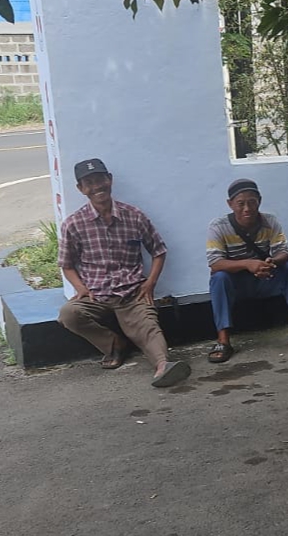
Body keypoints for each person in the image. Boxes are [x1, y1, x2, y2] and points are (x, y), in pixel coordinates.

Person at [57, 158, 191, 388]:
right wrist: (80, 288)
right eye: (89, 183)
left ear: (110, 180)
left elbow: (159, 251)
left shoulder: (134, 216)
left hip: (132, 294)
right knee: (69, 314)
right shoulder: (73, 224)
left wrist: (150, 283)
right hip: (96, 296)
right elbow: (66, 264)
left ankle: (163, 367)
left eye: (100, 179)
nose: (97, 186)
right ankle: (114, 344)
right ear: (81, 189)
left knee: (148, 327)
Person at [205, 178, 288, 362]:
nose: (247, 208)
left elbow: (283, 252)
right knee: (219, 278)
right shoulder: (218, 226)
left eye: (252, 202)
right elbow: (215, 263)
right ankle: (223, 340)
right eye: (240, 204)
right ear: (230, 204)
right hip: (236, 284)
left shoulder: (270, 221)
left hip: (264, 278)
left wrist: (271, 262)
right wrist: (248, 264)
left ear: (259, 201)